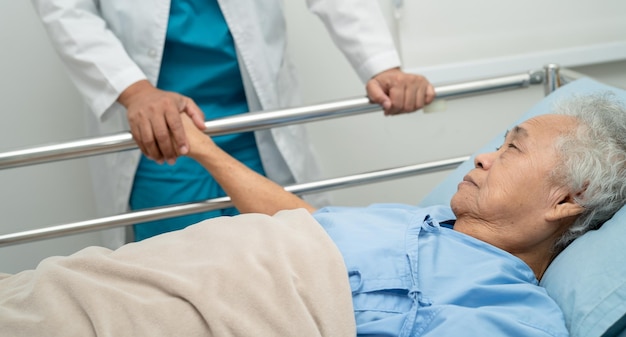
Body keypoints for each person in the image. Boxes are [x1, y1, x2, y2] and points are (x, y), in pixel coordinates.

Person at [1, 93, 624, 336]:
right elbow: (298, 223)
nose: (483, 156)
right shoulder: (419, 222)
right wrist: (204, 149)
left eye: (511, 147)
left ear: (565, 201)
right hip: (170, 272)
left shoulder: (508, 312)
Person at [15, 0, 435, 247]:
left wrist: (380, 64)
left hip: (258, 123)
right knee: (182, 287)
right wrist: (134, 90)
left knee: (292, 269)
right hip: (163, 139)